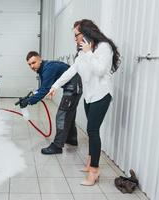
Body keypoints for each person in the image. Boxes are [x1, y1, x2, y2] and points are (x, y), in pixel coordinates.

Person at [47, 19, 120, 186]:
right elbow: (72, 71)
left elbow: (101, 70)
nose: (74, 39)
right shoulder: (82, 52)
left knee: (92, 130)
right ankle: (89, 163)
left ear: (86, 32)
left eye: (76, 35)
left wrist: (88, 53)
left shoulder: (104, 48)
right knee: (91, 131)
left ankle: (95, 171)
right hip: (89, 96)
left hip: (102, 94)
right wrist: (55, 86)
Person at [19, 51, 82, 154]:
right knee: (69, 114)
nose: (31, 66)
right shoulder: (43, 68)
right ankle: (72, 139)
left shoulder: (48, 69)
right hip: (74, 86)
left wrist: (29, 101)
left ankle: (57, 146)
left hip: (73, 87)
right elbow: (43, 88)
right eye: (29, 64)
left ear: (40, 59)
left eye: (33, 62)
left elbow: (45, 90)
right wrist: (29, 97)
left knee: (61, 116)